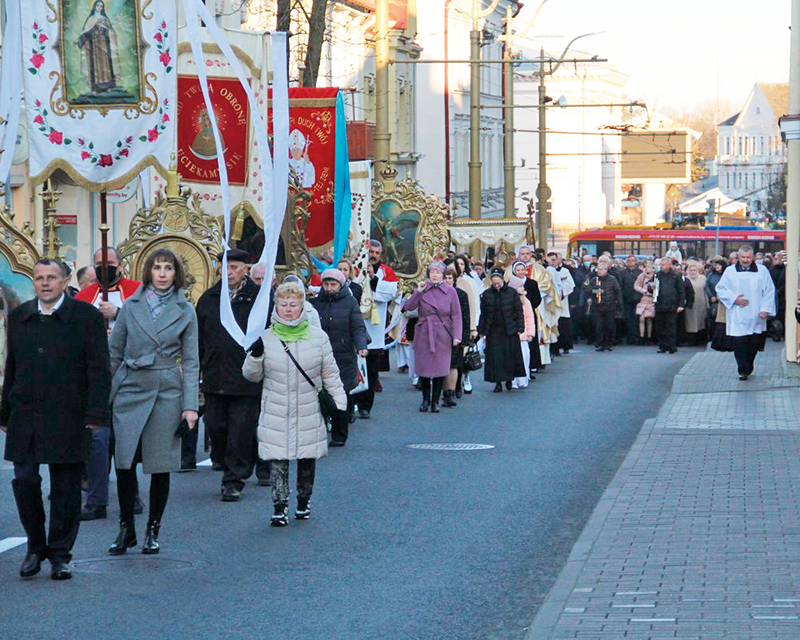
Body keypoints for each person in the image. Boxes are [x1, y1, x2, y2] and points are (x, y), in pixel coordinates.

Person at [1, 259, 110, 580]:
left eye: (51, 278)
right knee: (25, 480)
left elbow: (98, 369)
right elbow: (13, 366)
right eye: (38, 278)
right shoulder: (20, 316)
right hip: (26, 412)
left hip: (69, 413)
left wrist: (95, 413)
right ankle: (35, 546)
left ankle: (60, 554)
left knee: (64, 486)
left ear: (65, 282)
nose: (44, 283)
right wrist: (5, 408)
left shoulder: (86, 317)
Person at [107, 249, 199, 555]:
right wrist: (105, 397)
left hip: (166, 389)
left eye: (168, 268)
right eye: (157, 267)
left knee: (161, 464)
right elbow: (114, 352)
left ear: (176, 274)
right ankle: (126, 528)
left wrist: (190, 406)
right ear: (148, 272)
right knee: (124, 461)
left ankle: (153, 529)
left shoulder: (185, 310)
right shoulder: (130, 306)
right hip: (129, 386)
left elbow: (191, 360)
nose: (161, 273)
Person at [242, 281, 347, 526]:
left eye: (293, 305)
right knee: (278, 458)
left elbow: (330, 372)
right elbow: (250, 375)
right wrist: (255, 357)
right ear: (276, 307)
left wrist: (339, 403)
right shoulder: (266, 338)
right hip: (276, 407)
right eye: (283, 304)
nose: (288, 309)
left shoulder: (318, 337)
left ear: (302, 308)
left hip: (308, 406)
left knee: (306, 457)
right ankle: (279, 506)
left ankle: (303, 500)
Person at [75, 247, 142, 521]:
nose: (106, 268)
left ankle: (132, 494)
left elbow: (145, 325)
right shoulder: (84, 297)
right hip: (94, 377)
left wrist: (117, 313)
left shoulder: (135, 292)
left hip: (127, 374)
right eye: (100, 264)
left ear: (120, 266)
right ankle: (96, 500)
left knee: (126, 439)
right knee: (97, 440)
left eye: (110, 263)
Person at [195, 249, 266, 498]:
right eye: (225, 267)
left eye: (234, 267)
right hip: (215, 376)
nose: (229, 272)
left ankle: (234, 480)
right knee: (216, 426)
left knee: (240, 430)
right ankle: (229, 464)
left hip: (246, 378)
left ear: (245, 268)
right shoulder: (209, 298)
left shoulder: (257, 299)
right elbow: (199, 337)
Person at [310, 268, 369, 445]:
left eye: (333, 284)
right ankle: (321, 428)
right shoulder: (315, 303)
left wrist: (361, 346)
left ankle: (339, 434)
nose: (329, 288)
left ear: (341, 285)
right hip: (320, 355)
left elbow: (358, 327)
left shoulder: (350, 302)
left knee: (340, 394)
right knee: (320, 394)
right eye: (326, 284)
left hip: (343, 355)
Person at [403, 262, 462, 412]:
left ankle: (435, 401)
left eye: (438, 272)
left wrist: (457, 336)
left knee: (440, 368)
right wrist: (418, 291)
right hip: (424, 332)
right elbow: (408, 307)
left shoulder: (450, 291)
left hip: (443, 333)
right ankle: (425, 400)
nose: (434, 275)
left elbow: (456, 315)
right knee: (423, 368)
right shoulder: (423, 289)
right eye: (432, 272)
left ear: (443, 275)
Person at [715, 246, 776, 380]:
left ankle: (749, 364)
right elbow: (720, 289)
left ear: (753, 257)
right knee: (739, 344)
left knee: (753, 344)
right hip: (738, 314)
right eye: (743, 257)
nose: (746, 260)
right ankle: (742, 370)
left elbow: (769, 290)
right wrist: (734, 299)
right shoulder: (730, 272)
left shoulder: (762, 271)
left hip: (756, 314)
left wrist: (765, 309)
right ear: (738, 257)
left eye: (748, 257)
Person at [354, 240, 398, 419]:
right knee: (354, 367)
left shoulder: (386, 271)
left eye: (376, 253)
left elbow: (390, 293)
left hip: (374, 327)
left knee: (371, 370)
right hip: (357, 325)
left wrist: (373, 279)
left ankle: (366, 406)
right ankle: (354, 403)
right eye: (371, 251)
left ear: (381, 254)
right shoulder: (354, 267)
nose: (373, 255)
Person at [478, 268, 525, 393]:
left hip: (509, 329)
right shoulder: (487, 294)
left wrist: (520, 327)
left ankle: (509, 379)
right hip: (493, 330)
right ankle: (497, 382)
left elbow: (518, 311)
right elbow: (484, 313)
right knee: (495, 358)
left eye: (498, 283)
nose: (497, 285)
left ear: (502, 280)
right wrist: (481, 330)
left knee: (509, 356)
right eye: (494, 284)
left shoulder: (512, 293)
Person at [442, 264, 471, 407]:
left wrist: (465, 338)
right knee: (442, 365)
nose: (447, 280)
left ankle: (451, 392)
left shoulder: (461, 295)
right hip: (441, 334)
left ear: (454, 279)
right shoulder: (438, 293)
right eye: (445, 278)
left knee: (453, 365)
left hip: (456, 334)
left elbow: (465, 317)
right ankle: (444, 392)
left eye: (449, 278)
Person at [582, 262, 621, 351]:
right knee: (599, 326)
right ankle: (600, 343)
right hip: (597, 306)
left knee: (610, 326)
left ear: (605, 270)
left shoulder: (612, 279)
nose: (599, 271)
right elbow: (587, 290)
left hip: (610, 306)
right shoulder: (593, 280)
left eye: (601, 269)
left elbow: (617, 291)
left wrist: (618, 304)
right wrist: (591, 294)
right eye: (598, 269)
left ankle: (609, 343)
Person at [508, 274, 535, 389]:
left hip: (523, 335)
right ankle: (513, 380)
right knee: (512, 358)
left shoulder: (525, 301)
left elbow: (529, 317)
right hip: (512, 335)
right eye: (520, 286)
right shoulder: (508, 300)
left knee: (525, 357)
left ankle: (523, 378)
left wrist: (530, 333)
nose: (523, 288)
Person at [654, 258, 685, 354]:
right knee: (660, 326)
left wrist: (681, 305)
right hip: (660, 304)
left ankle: (672, 346)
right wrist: (651, 288)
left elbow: (681, 291)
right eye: (661, 265)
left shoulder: (676, 275)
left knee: (670, 326)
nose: (661, 267)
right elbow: (653, 288)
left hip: (672, 304)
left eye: (663, 265)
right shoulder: (658, 275)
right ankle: (662, 346)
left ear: (669, 265)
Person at [707, 258, 732, 351]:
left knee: (725, 323)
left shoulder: (727, 276)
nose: (716, 266)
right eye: (715, 264)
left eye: (719, 264)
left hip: (725, 302)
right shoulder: (711, 275)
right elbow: (707, 286)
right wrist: (711, 296)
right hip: (715, 301)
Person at [683, 261, 709, 346]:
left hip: (701, 303)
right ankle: (691, 340)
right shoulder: (685, 279)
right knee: (690, 322)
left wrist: (707, 303)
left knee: (701, 322)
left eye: (694, 270)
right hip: (690, 305)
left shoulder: (703, 278)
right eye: (691, 270)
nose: (693, 272)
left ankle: (700, 340)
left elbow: (706, 291)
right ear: (688, 271)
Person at [619, 255, 643, 345]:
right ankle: (630, 338)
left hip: (638, 299)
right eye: (629, 260)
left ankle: (637, 338)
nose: (631, 262)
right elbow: (620, 287)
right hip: (627, 299)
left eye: (633, 260)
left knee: (637, 319)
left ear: (636, 262)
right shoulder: (622, 273)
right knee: (628, 319)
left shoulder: (640, 273)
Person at [634, 262, 656, 343]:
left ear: (653, 269)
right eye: (646, 267)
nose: (647, 268)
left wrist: (654, 292)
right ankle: (641, 336)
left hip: (652, 300)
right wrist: (643, 290)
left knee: (649, 318)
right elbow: (636, 285)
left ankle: (649, 337)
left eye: (649, 267)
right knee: (641, 318)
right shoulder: (642, 276)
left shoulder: (656, 277)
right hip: (643, 298)